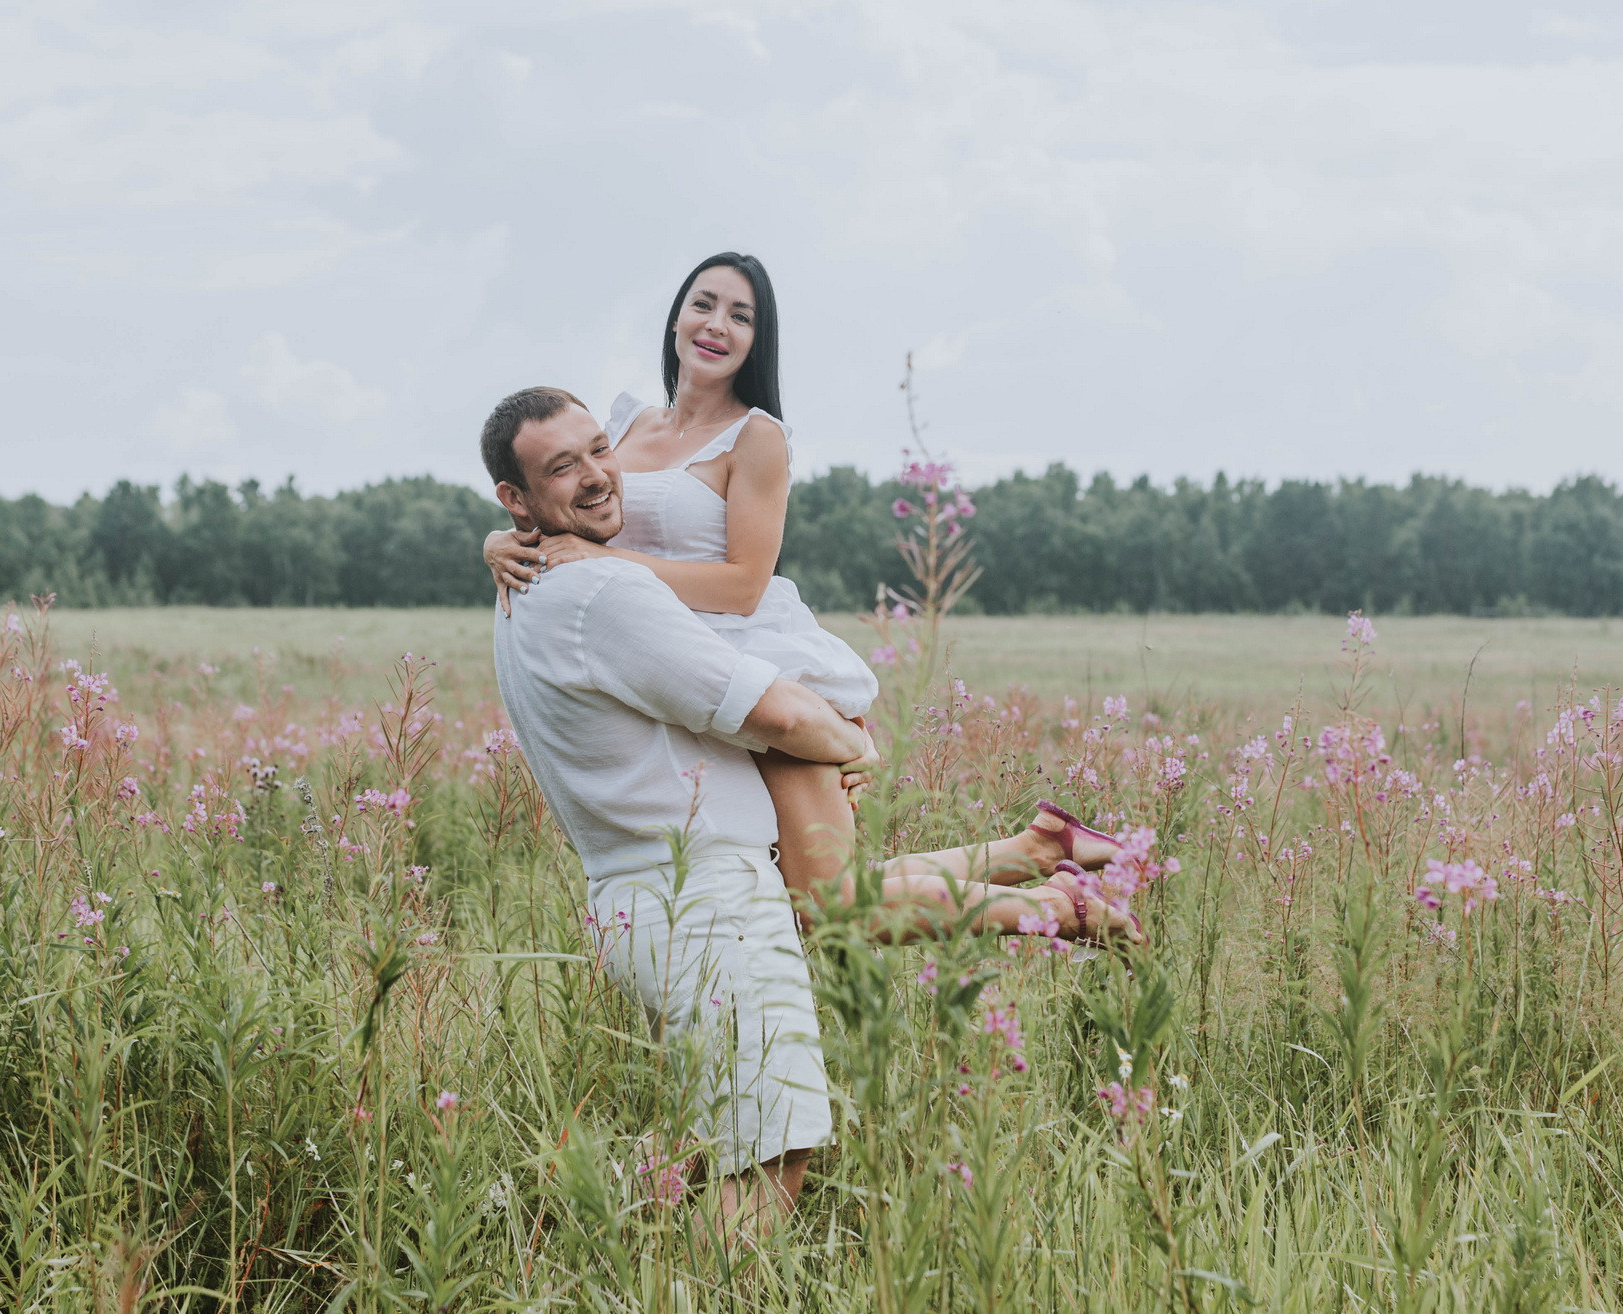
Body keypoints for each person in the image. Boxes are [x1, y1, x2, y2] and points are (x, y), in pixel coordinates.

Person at [480, 385, 1139, 1236]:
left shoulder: (519, 592)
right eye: (561, 467)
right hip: (708, 909)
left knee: (704, 1147)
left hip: (646, 902)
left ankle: (559, 1244)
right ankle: (1044, 901)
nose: (599, 475)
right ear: (517, 498)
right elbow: (782, 714)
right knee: (768, 1158)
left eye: (599, 449)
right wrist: (852, 745)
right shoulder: (602, 593)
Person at [485, 253, 1126, 924]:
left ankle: (1060, 909)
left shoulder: (756, 438)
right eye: (703, 303)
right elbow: (557, 496)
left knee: (829, 903)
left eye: (741, 316)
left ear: (758, 341)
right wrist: (497, 540)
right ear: (676, 316)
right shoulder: (621, 426)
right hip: (678, 670)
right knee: (814, 894)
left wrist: (594, 562)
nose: (716, 325)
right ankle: (1041, 847)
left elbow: (741, 586)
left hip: (764, 669)